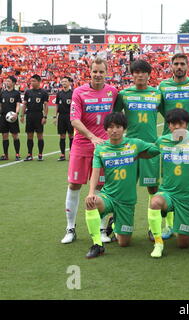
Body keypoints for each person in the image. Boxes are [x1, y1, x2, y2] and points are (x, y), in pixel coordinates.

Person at [84, 112, 160, 258]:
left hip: (127, 201)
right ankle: (97, 244)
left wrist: (169, 141)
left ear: (124, 129)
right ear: (106, 129)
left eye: (118, 127)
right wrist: (91, 192)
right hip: (109, 196)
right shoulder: (101, 149)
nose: (114, 130)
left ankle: (114, 223)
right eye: (111, 127)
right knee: (91, 202)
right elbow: (95, 172)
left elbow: (155, 150)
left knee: (124, 242)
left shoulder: (135, 144)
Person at [60, 57, 118, 244]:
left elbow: (118, 115)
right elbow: (74, 120)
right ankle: (70, 228)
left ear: (106, 72)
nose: (98, 75)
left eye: (101, 71)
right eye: (95, 71)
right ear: (89, 72)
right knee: (74, 185)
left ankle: (102, 230)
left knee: (102, 188)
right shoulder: (79, 92)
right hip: (82, 145)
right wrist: (92, 137)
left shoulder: (113, 92)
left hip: (103, 149)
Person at [158, 53, 189, 240]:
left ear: (188, 66)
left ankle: (188, 223)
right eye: (176, 63)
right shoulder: (163, 86)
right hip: (168, 141)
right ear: (171, 66)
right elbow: (161, 107)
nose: (179, 66)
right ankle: (168, 225)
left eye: (182, 64)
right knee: (168, 183)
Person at [147, 108, 189, 258]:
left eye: (180, 124)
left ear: (186, 125)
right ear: (168, 126)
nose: (176, 127)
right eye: (173, 124)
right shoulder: (162, 141)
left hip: (187, 197)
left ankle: (179, 224)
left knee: (183, 244)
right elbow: (147, 152)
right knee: (155, 202)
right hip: (167, 192)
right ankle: (158, 242)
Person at [114, 59, 162, 240]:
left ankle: (154, 227)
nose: (140, 75)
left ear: (149, 75)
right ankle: (118, 225)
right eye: (136, 72)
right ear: (132, 74)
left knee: (153, 188)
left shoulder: (157, 94)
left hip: (150, 148)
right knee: (125, 188)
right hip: (129, 148)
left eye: (143, 72)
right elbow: (114, 118)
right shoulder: (124, 94)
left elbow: (170, 115)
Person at [20, 74, 49, 161]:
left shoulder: (43, 92)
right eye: (31, 81)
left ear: (39, 82)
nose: (32, 83)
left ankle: (40, 154)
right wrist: (22, 115)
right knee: (29, 136)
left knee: (40, 136)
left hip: (38, 115)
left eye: (34, 81)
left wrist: (45, 116)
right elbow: (24, 104)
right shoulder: (28, 92)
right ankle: (30, 154)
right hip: (29, 115)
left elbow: (46, 105)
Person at [0, 76, 22, 161]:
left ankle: (17, 154)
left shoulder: (16, 93)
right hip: (3, 116)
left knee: (15, 135)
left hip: (12, 117)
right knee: (4, 135)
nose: (6, 82)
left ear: (13, 83)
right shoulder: (2, 93)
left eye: (8, 81)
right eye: (6, 81)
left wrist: (16, 113)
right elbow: (1, 105)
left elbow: (18, 104)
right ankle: (5, 155)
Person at [54, 76, 74, 161]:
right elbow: (57, 105)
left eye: (65, 81)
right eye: (62, 82)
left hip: (70, 116)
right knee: (62, 136)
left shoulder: (73, 93)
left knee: (71, 135)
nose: (64, 83)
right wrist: (55, 116)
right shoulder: (59, 93)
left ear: (70, 83)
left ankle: (71, 154)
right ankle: (62, 154)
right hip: (61, 116)